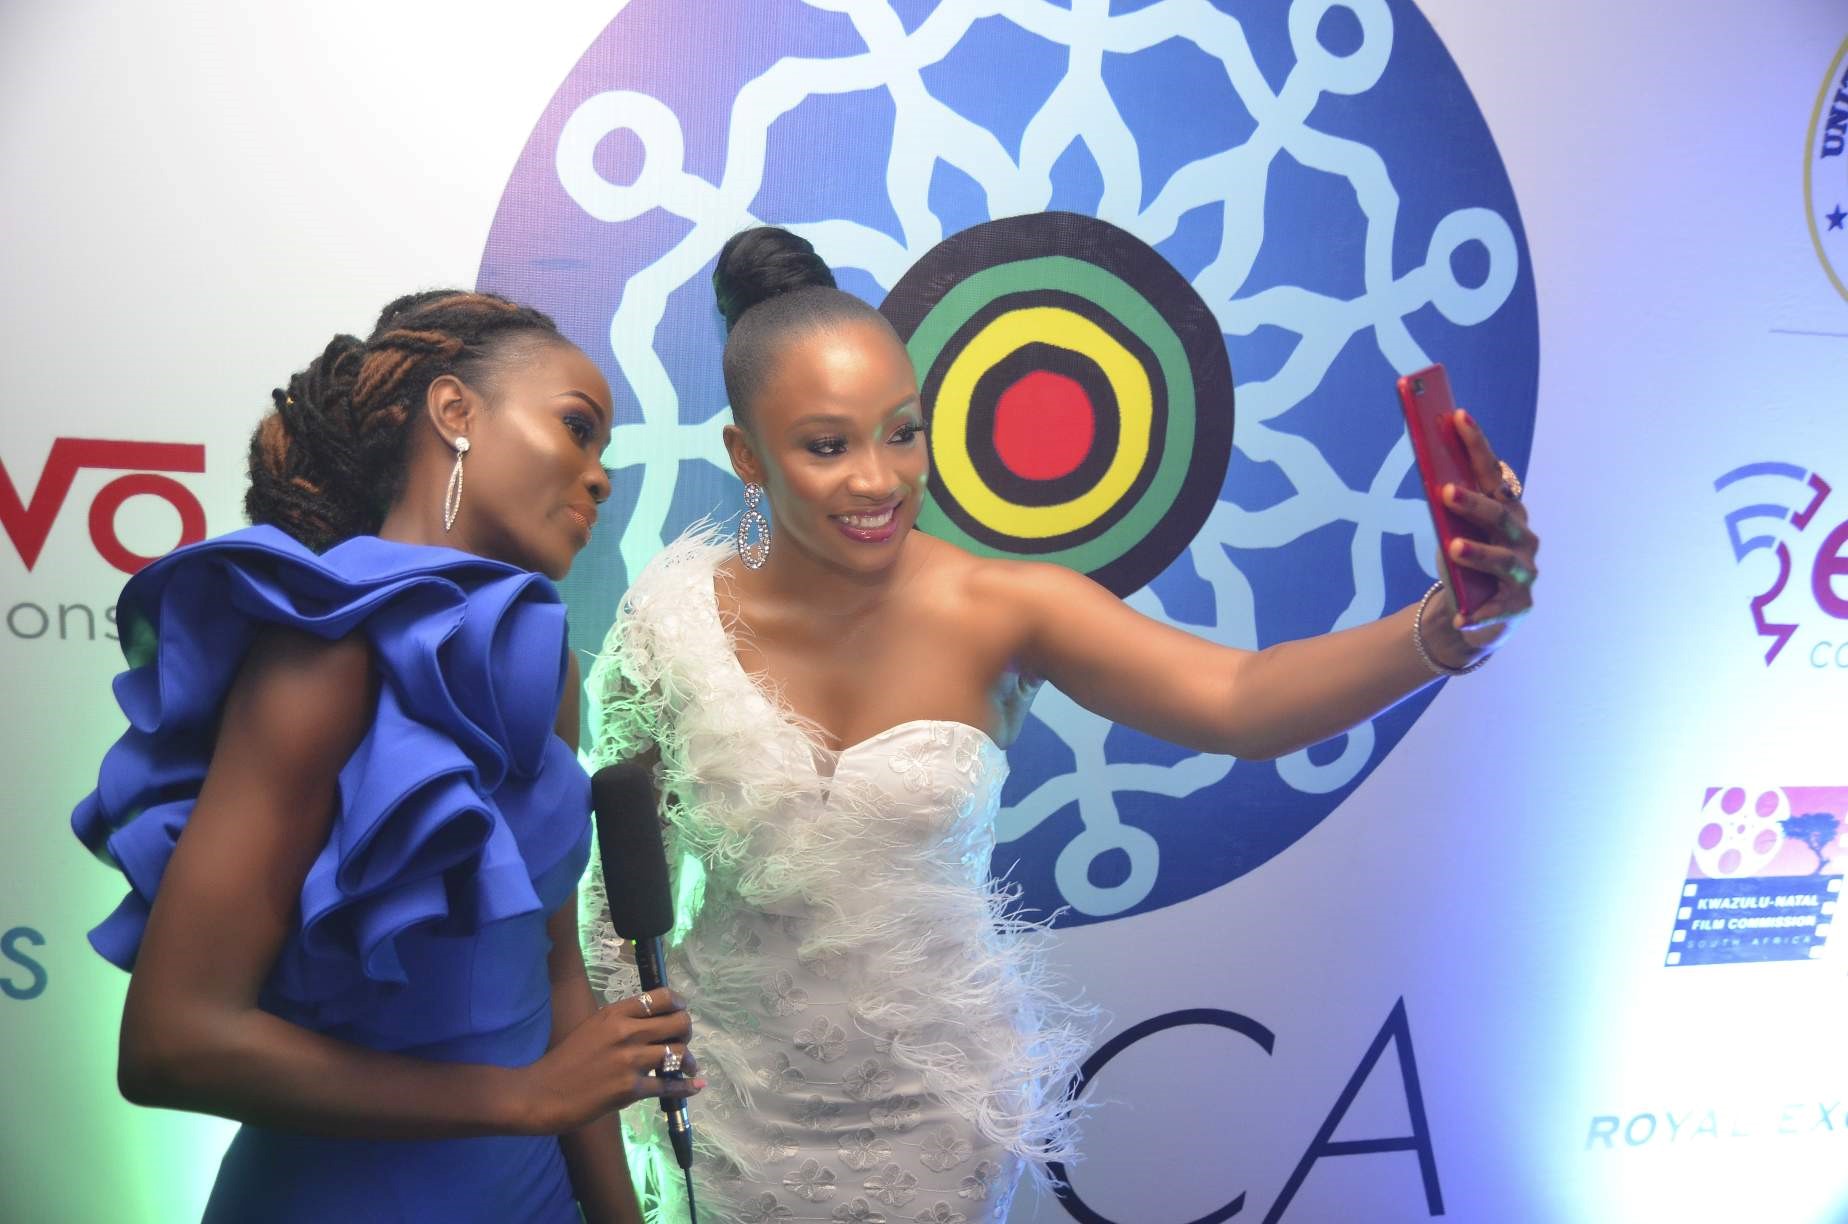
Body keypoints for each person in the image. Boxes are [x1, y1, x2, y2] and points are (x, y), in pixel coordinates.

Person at [584, 228, 1539, 1223]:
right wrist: (634, 1123)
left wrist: (1443, 630)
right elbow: (615, 908)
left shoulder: (1006, 608)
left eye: (902, 432)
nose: (879, 480)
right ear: (747, 456)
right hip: (722, 1126)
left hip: (931, 1130)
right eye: (828, 446)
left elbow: (1241, 701)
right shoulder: (671, 623)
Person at [72, 290, 705, 1223]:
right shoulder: (324, 653)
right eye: (577, 428)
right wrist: (518, 1099)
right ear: (455, 412)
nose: (600, 478)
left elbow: (553, 969)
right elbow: (173, 1045)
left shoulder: (543, 665)